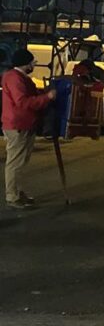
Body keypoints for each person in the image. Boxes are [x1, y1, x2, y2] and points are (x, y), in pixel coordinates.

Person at [1, 48, 55, 208]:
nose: (34, 64)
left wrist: (41, 93)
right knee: (15, 162)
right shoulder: (15, 78)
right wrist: (47, 97)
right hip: (18, 124)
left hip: (23, 123)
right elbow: (23, 102)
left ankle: (17, 192)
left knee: (19, 161)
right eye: (32, 62)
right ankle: (12, 196)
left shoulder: (16, 77)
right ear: (25, 63)